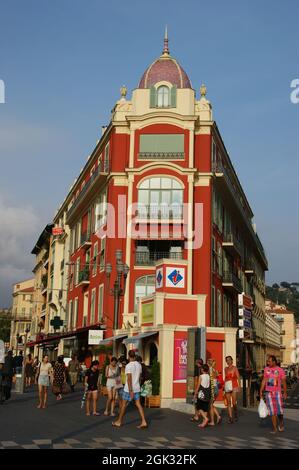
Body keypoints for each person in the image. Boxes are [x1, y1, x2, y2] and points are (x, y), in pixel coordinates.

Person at [112, 350, 147, 429]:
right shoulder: (139, 365)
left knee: (124, 405)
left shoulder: (128, 366)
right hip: (137, 387)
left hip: (128, 389)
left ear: (128, 356)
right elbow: (140, 377)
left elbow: (129, 378)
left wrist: (131, 390)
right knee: (138, 404)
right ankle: (144, 421)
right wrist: (138, 385)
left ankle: (119, 421)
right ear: (134, 356)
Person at [260, 355, 287, 434]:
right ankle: (275, 428)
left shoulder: (280, 370)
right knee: (272, 412)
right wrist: (261, 390)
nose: (268, 363)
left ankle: (281, 422)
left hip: (278, 393)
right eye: (268, 361)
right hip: (269, 393)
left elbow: (284, 382)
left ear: (274, 362)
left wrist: (285, 392)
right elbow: (264, 380)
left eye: (269, 361)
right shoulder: (266, 369)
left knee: (279, 411)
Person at [193, 364, 211, 428]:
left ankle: (205, 418)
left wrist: (195, 393)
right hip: (207, 392)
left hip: (201, 392)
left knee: (198, 407)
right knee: (205, 408)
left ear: (203, 369)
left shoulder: (201, 376)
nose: (201, 369)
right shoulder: (208, 376)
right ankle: (204, 422)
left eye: (201, 368)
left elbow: (198, 386)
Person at [207, 358, 222, 425]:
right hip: (216, 389)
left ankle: (213, 420)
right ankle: (217, 417)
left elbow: (210, 379)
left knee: (210, 405)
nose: (207, 362)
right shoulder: (215, 370)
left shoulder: (210, 369)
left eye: (208, 361)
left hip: (212, 388)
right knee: (211, 404)